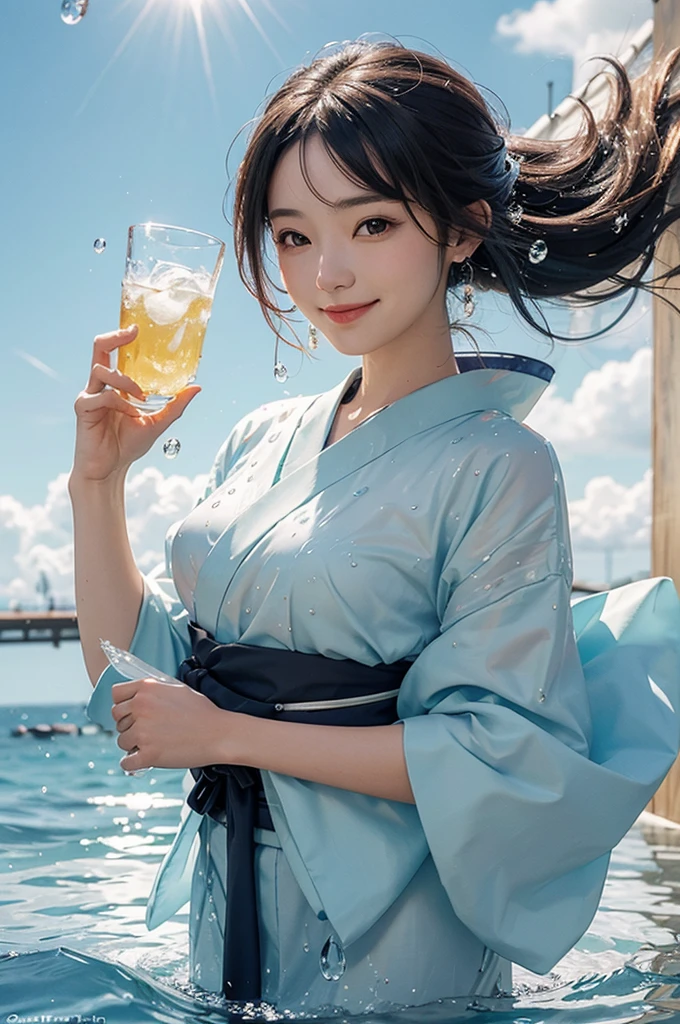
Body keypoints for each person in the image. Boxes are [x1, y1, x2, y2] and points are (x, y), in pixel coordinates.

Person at [71, 39, 680, 1014]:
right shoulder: (258, 435)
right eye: (294, 235)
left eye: (370, 222)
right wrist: (96, 485)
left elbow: (494, 753)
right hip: (232, 893)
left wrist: (231, 732)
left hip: (396, 928)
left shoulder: (502, 466)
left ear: (459, 230)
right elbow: (133, 688)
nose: (328, 273)